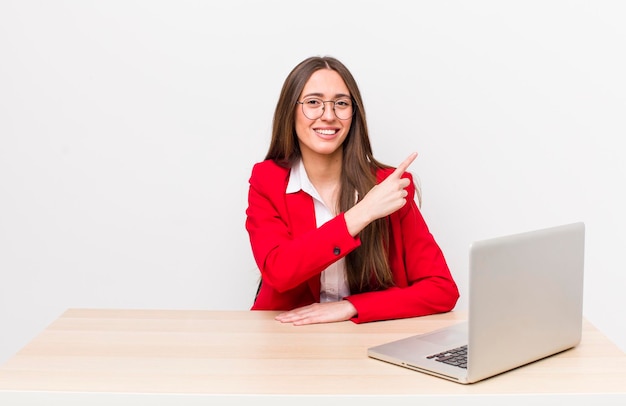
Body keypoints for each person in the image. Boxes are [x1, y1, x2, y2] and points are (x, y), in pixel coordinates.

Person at [245, 56, 459, 325]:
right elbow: (279, 271)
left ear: (354, 114)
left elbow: (441, 290)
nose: (329, 115)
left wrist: (351, 307)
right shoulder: (268, 180)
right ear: (291, 111)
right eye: (313, 102)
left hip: (363, 340)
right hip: (286, 335)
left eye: (341, 103)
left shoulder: (389, 185)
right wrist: (362, 213)